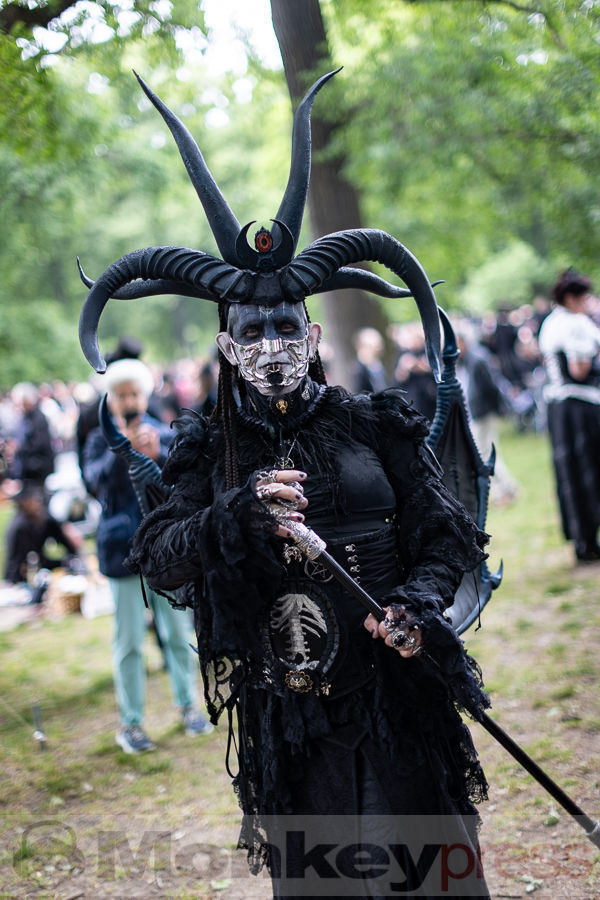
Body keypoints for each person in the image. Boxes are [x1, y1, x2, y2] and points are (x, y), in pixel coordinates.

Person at [78, 71, 491, 897]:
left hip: (397, 699)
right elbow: (163, 557)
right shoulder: (204, 447)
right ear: (228, 347)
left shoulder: (376, 422)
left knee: (432, 886)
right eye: (252, 330)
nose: (271, 341)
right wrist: (241, 514)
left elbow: (446, 534)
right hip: (295, 720)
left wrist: (417, 605)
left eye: (284, 325)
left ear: (308, 330)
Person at [83, 358, 213, 753]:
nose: (128, 400)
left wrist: (157, 454)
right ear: (112, 400)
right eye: (120, 395)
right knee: (129, 642)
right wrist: (120, 451)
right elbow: (94, 484)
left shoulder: (162, 432)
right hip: (120, 553)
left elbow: (186, 480)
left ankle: (189, 706)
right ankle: (132, 723)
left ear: (145, 395)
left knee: (176, 633)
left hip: (163, 551)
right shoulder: (97, 439)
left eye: (134, 393)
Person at [538, 271, 600, 562]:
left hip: (561, 409)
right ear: (571, 298)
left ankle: (583, 540)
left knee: (571, 472)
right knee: (588, 470)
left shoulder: (551, 322)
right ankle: (588, 540)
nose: (587, 302)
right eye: (584, 297)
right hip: (581, 408)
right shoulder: (575, 324)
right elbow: (580, 370)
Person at [456, 322, 519, 506]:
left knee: (485, 454)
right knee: (486, 453)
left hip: (483, 413)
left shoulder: (477, 358)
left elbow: (491, 387)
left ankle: (506, 489)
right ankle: (506, 489)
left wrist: (497, 409)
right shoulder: (469, 358)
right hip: (479, 413)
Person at [4, 483, 81, 584]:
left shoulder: (44, 519)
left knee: (67, 564)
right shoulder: (19, 527)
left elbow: (62, 537)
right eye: (32, 499)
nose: (37, 501)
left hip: (40, 566)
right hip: (22, 573)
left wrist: (72, 553)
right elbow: (16, 562)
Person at [9, 383, 55, 485]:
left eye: (21, 403)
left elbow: (39, 445)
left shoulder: (39, 419)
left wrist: (18, 447)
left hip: (36, 472)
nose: (19, 407)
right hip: (26, 472)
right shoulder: (24, 418)